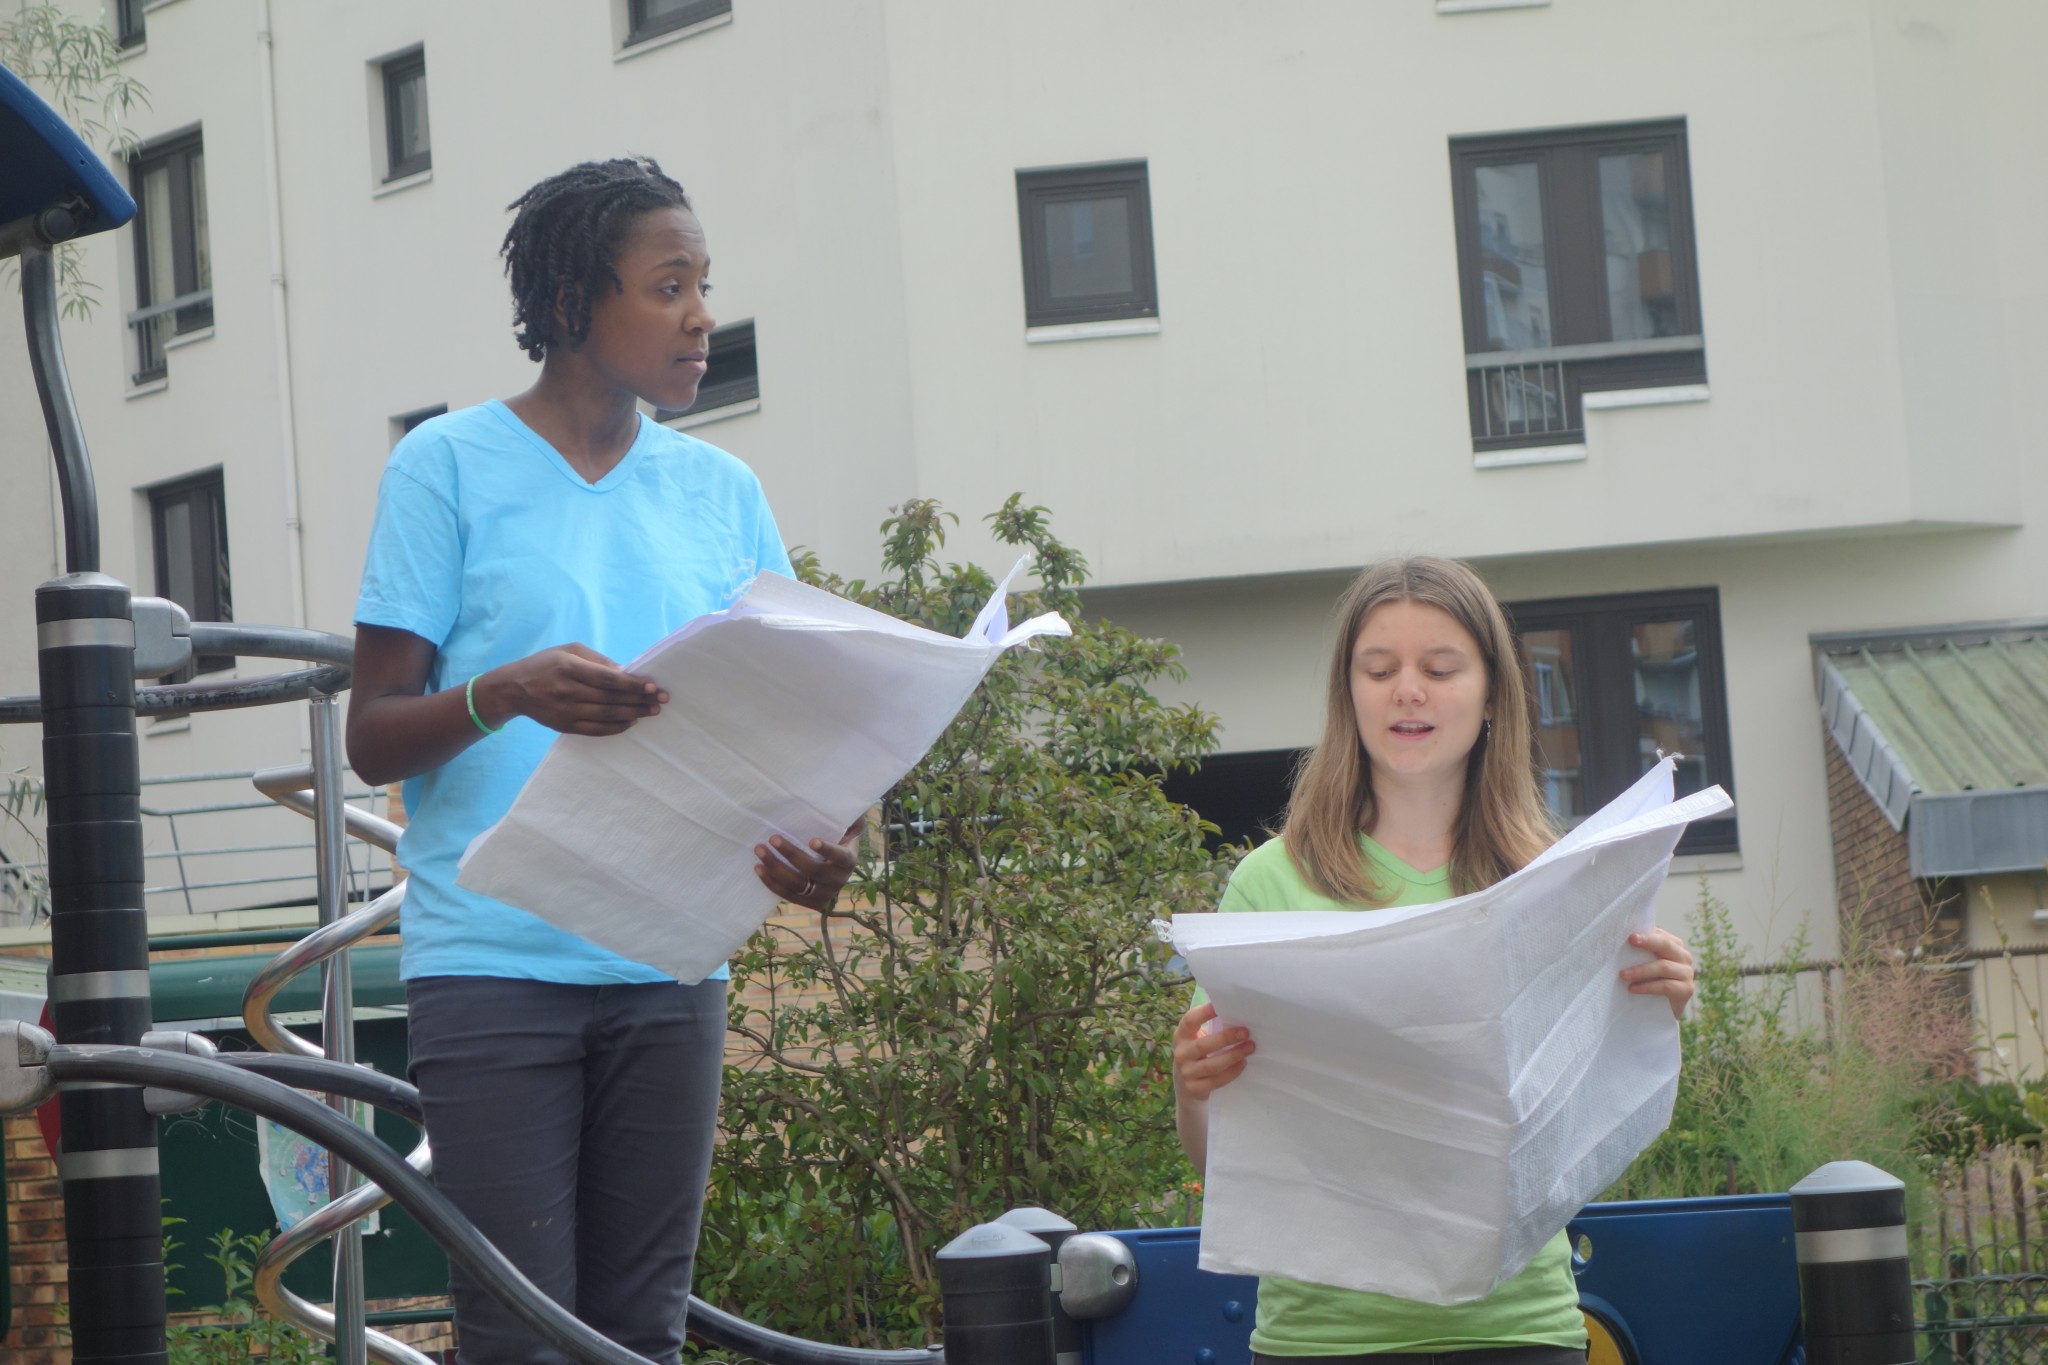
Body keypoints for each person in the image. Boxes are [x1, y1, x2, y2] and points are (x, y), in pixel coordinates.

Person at [347, 156, 857, 1365]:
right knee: (520, 1337)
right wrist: (503, 691)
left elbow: (794, 725)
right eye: (668, 286)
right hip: (492, 961)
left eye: (702, 285)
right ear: (576, 303)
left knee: (640, 1335)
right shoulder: (446, 466)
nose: (700, 317)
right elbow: (371, 735)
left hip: (670, 957)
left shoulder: (722, 491)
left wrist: (827, 845)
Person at [1169, 557, 1696, 1364]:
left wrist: (1647, 1018)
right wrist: (1194, 1087)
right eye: (1379, 669)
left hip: (1517, 1327)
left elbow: (1588, 1137)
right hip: (1322, 1338)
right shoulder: (1268, 882)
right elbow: (1229, 1157)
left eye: (1439, 667)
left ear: (1492, 692)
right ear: (1349, 695)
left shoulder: (1558, 879)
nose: (1406, 689)